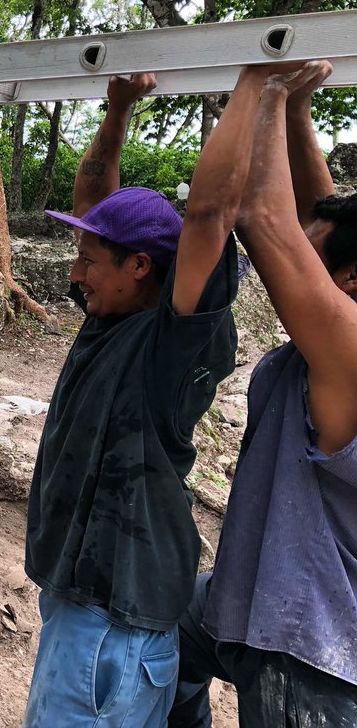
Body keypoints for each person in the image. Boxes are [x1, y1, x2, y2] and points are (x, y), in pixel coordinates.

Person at [21, 66, 288, 727]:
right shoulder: (107, 316)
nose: (75, 273)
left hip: (113, 619)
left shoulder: (172, 346)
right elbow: (92, 195)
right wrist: (116, 110)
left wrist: (254, 77)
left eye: (89, 258)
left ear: (141, 265)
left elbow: (207, 215)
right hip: (88, 606)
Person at [168, 60, 357, 727]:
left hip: (307, 657)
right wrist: (300, 110)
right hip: (254, 604)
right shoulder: (338, 336)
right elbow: (317, 216)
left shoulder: (351, 350)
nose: (295, 264)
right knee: (159, 618)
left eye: (311, 257)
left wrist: (266, 86)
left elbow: (262, 213)